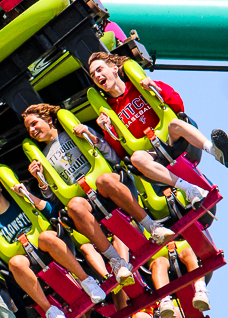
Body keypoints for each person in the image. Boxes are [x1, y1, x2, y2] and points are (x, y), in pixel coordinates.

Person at [22, 103, 176, 258]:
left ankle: (153, 227)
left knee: (104, 179)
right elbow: (57, 200)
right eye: (29, 129)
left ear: (49, 120)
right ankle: (116, 261)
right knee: (73, 206)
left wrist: (92, 137)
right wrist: (41, 181)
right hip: (89, 204)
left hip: (110, 188)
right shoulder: (42, 158)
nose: (32, 130)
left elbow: (112, 158)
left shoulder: (74, 132)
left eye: (34, 124)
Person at [0, 169, 107, 318]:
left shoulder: (20, 200)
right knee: (15, 262)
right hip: (28, 265)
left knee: (46, 237)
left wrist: (27, 195)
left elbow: (51, 212)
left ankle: (86, 281)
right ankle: (51, 311)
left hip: (51, 247)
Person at [87, 52, 228, 200]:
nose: (97, 76)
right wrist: (107, 129)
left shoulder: (139, 86)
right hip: (153, 157)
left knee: (175, 123)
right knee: (136, 158)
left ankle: (215, 151)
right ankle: (188, 189)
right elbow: (121, 152)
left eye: (99, 69)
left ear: (113, 68)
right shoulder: (110, 111)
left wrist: (156, 89)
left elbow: (177, 105)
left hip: (174, 142)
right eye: (93, 75)